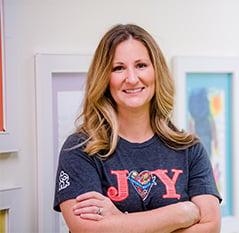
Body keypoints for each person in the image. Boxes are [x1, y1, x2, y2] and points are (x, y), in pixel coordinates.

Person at [53, 23, 222, 233]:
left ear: (156, 71)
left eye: (141, 65)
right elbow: (87, 230)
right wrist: (181, 214)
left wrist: (118, 220)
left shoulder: (189, 149)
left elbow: (211, 227)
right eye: (118, 68)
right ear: (104, 78)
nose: (132, 79)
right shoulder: (81, 149)